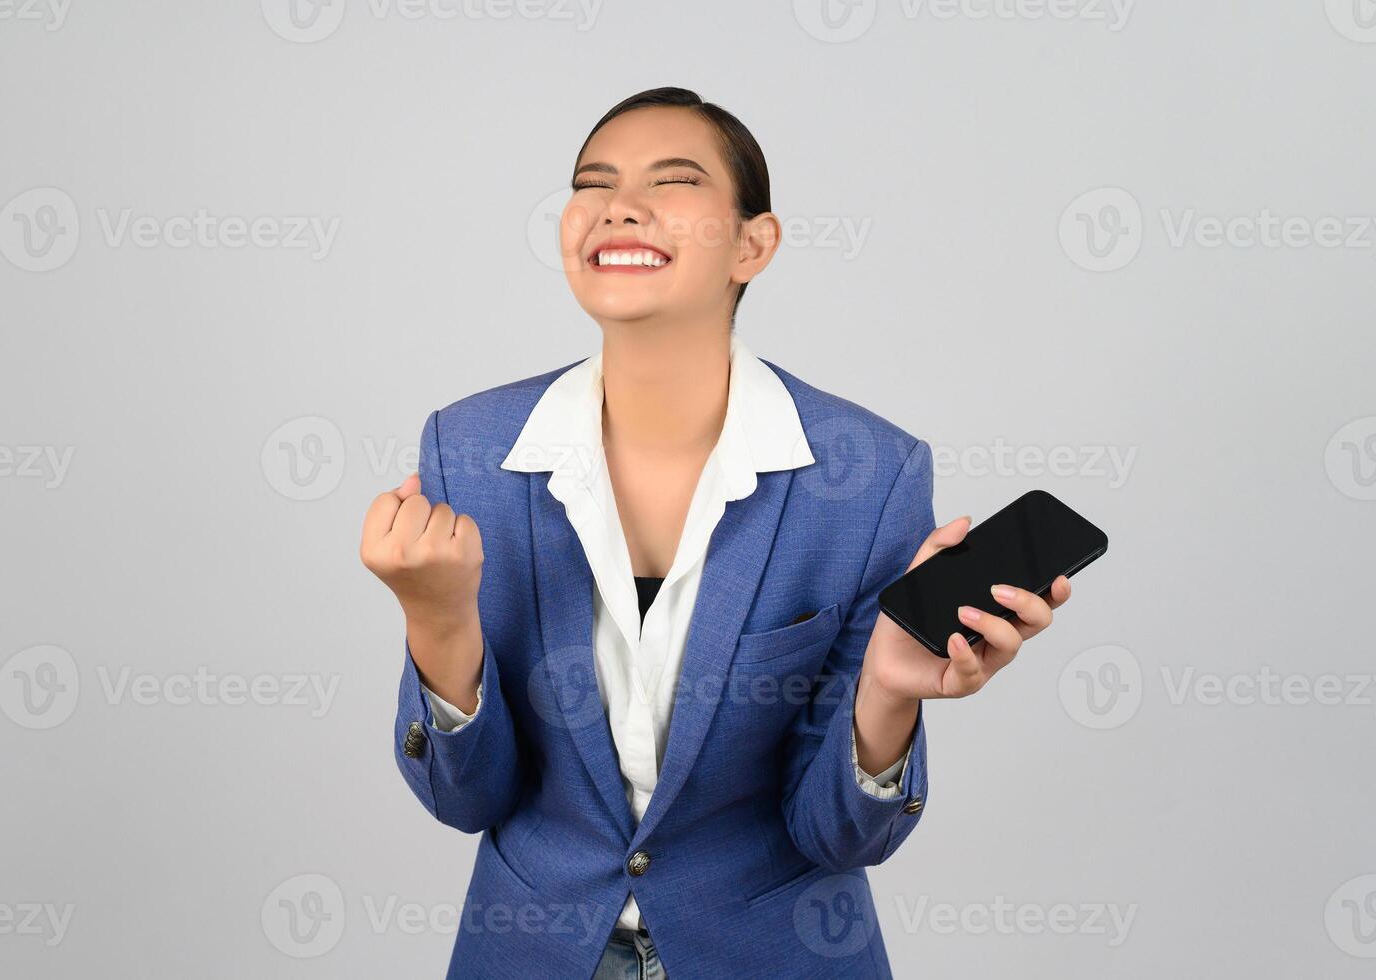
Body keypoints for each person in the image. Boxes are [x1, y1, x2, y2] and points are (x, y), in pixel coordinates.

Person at [359, 87, 1074, 979]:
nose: (620, 204)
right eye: (595, 183)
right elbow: (469, 801)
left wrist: (888, 691)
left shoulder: (867, 475)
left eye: (674, 180)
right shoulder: (467, 451)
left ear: (753, 243)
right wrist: (436, 621)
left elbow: (837, 834)